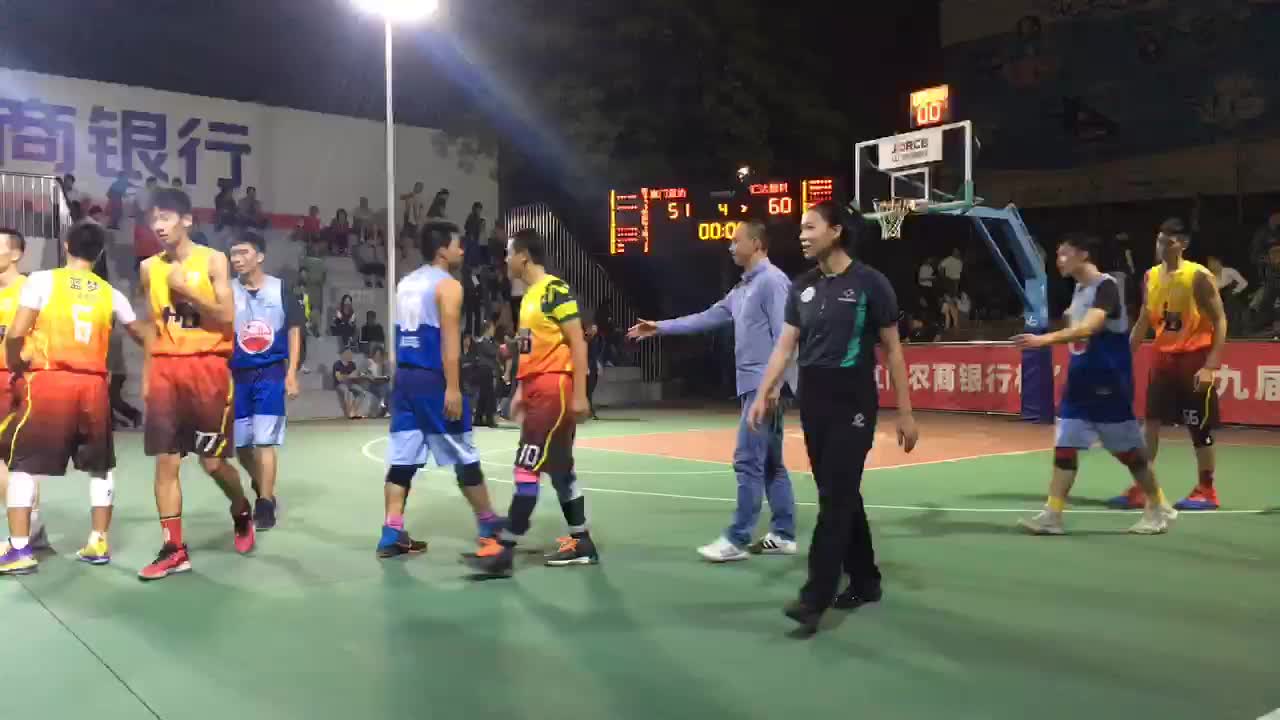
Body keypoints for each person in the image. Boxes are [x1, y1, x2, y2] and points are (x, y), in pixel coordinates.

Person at [748, 200, 919, 633]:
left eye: (810, 227)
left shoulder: (870, 283)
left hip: (853, 401)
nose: (802, 236)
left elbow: (893, 349)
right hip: (814, 400)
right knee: (838, 492)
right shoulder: (802, 286)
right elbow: (785, 346)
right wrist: (764, 393)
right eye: (801, 229)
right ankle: (865, 580)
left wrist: (905, 411)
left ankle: (815, 597)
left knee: (835, 500)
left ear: (836, 231)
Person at [629, 220, 798, 562]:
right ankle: (783, 534)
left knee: (747, 460)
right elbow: (707, 317)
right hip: (755, 386)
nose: (730, 247)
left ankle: (737, 538)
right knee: (770, 464)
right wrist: (660, 327)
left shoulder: (772, 281)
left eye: (736, 241)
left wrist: (774, 387)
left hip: (763, 388)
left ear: (756, 243)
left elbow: (788, 336)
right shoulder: (743, 288)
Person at [0, 222, 150, 574]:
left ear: (66, 245)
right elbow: (142, 334)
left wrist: (14, 360)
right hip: (93, 385)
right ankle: (98, 541)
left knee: (23, 467)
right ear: (100, 253)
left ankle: (20, 548)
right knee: (100, 467)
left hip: (51, 381)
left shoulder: (43, 281)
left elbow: (17, 332)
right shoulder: (110, 293)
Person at [1012, 233, 1177, 535]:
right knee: (1065, 448)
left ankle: (1157, 506)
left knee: (1129, 454)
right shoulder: (1079, 290)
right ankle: (1052, 516)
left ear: (1083, 254)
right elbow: (1076, 330)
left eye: (1064, 254)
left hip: (1108, 382)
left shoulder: (1106, 287)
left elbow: (1090, 327)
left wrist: (1043, 340)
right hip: (1080, 383)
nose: (1058, 260)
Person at [137, 189, 256, 581]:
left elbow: (227, 316)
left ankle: (241, 508)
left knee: (212, 462)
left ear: (187, 220)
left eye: (166, 217)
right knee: (166, 460)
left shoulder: (213, 260)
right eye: (154, 219)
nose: (158, 226)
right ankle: (174, 549)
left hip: (207, 368)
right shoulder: (148, 268)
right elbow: (153, 326)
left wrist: (187, 290)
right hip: (166, 371)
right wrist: (148, 374)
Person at [466, 228, 595, 577]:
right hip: (539, 389)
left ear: (524, 256)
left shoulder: (555, 290)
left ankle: (504, 551)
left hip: (554, 390)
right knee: (560, 469)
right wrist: (521, 390)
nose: (505, 260)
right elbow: (529, 350)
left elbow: (577, 341)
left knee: (526, 467)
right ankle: (582, 542)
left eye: (509, 253)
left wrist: (580, 394)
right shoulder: (528, 299)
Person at [379, 220, 503, 558]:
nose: (462, 249)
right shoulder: (448, 286)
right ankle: (489, 527)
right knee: (465, 454)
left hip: (405, 379)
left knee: (402, 459)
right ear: (442, 250)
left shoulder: (405, 283)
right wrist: (453, 388)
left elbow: (399, 334)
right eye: (457, 244)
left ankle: (391, 532)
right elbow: (449, 341)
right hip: (433, 379)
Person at [1109, 218, 1228, 511]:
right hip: (1162, 359)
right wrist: (1123, 357)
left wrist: (1211, 365)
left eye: (1169, 241)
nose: (1162, 245)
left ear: (1183, 244)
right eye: (1159, 239)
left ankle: (1207, 490)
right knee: (1150, 423)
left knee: (1198, 428)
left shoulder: (1198, 276)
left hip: (1194, 359)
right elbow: (1143, 320)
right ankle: (1142, 486)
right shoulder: (1150, 276)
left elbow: (1220, 320)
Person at [228, 230, 303, 531]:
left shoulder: (281, 289)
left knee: (264, 440)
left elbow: (295, 330)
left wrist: (291, 372)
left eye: (243, 252)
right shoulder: (227, 291)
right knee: (243, 446)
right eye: (233, 254)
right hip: (238, 375)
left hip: (270, 373)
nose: (237, 259)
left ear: (259, 256)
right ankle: (263, 486)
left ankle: (265, 503)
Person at [0, 228, 51, 553]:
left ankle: (27, 531)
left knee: (18, 461)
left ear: (16, 254)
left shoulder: (29, 291)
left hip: (17, 381)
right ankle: (32, 527)